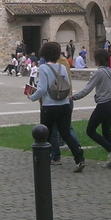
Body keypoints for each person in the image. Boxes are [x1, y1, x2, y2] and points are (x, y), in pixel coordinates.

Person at [27, 41, 85, 172]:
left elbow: (42, 89)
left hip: (49, 106)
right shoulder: (62, 67)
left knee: (44, 135)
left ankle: (43, 160)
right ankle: (79, 158)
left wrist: (32, 97)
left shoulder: (43, 68)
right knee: (66, 133)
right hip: (64, 104)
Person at [72, 48, 111, 167]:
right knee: (106, 131)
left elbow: (88, 88)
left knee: (90, 130)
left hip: (103, 105)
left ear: (98, 59)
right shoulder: (110, 71)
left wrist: (73, 97)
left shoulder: (99, 72)